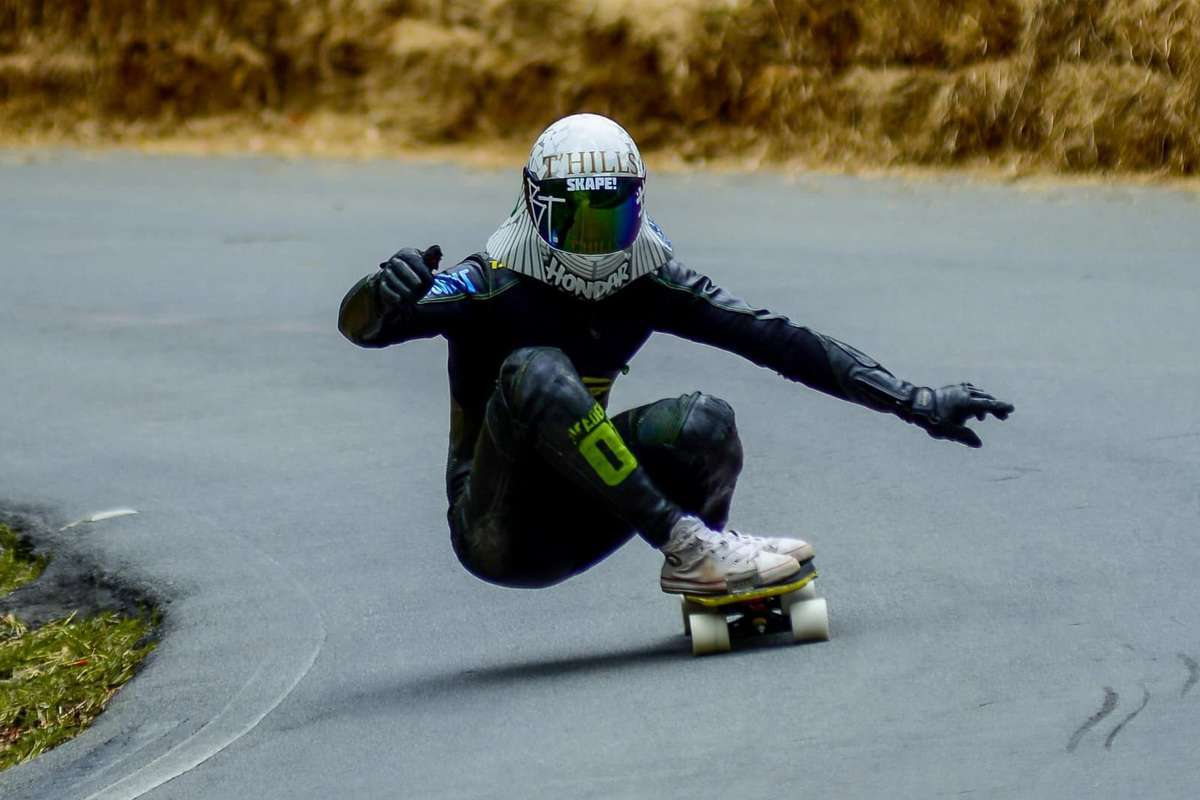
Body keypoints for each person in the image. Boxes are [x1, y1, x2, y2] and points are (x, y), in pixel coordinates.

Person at [338, 113, 1013, 596]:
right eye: (577, 220)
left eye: (613, 219)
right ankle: (690, 547)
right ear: (534, 210)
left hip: (592, 508)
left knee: (706, 423)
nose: (597, 243)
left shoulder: (648, 281)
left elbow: (776, 338)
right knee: (534, 369)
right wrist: (383, 288)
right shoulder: (487, 283)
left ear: (639, 208)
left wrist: (913, 400)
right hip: (495, 527)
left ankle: (715, 574)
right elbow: (362, 327)